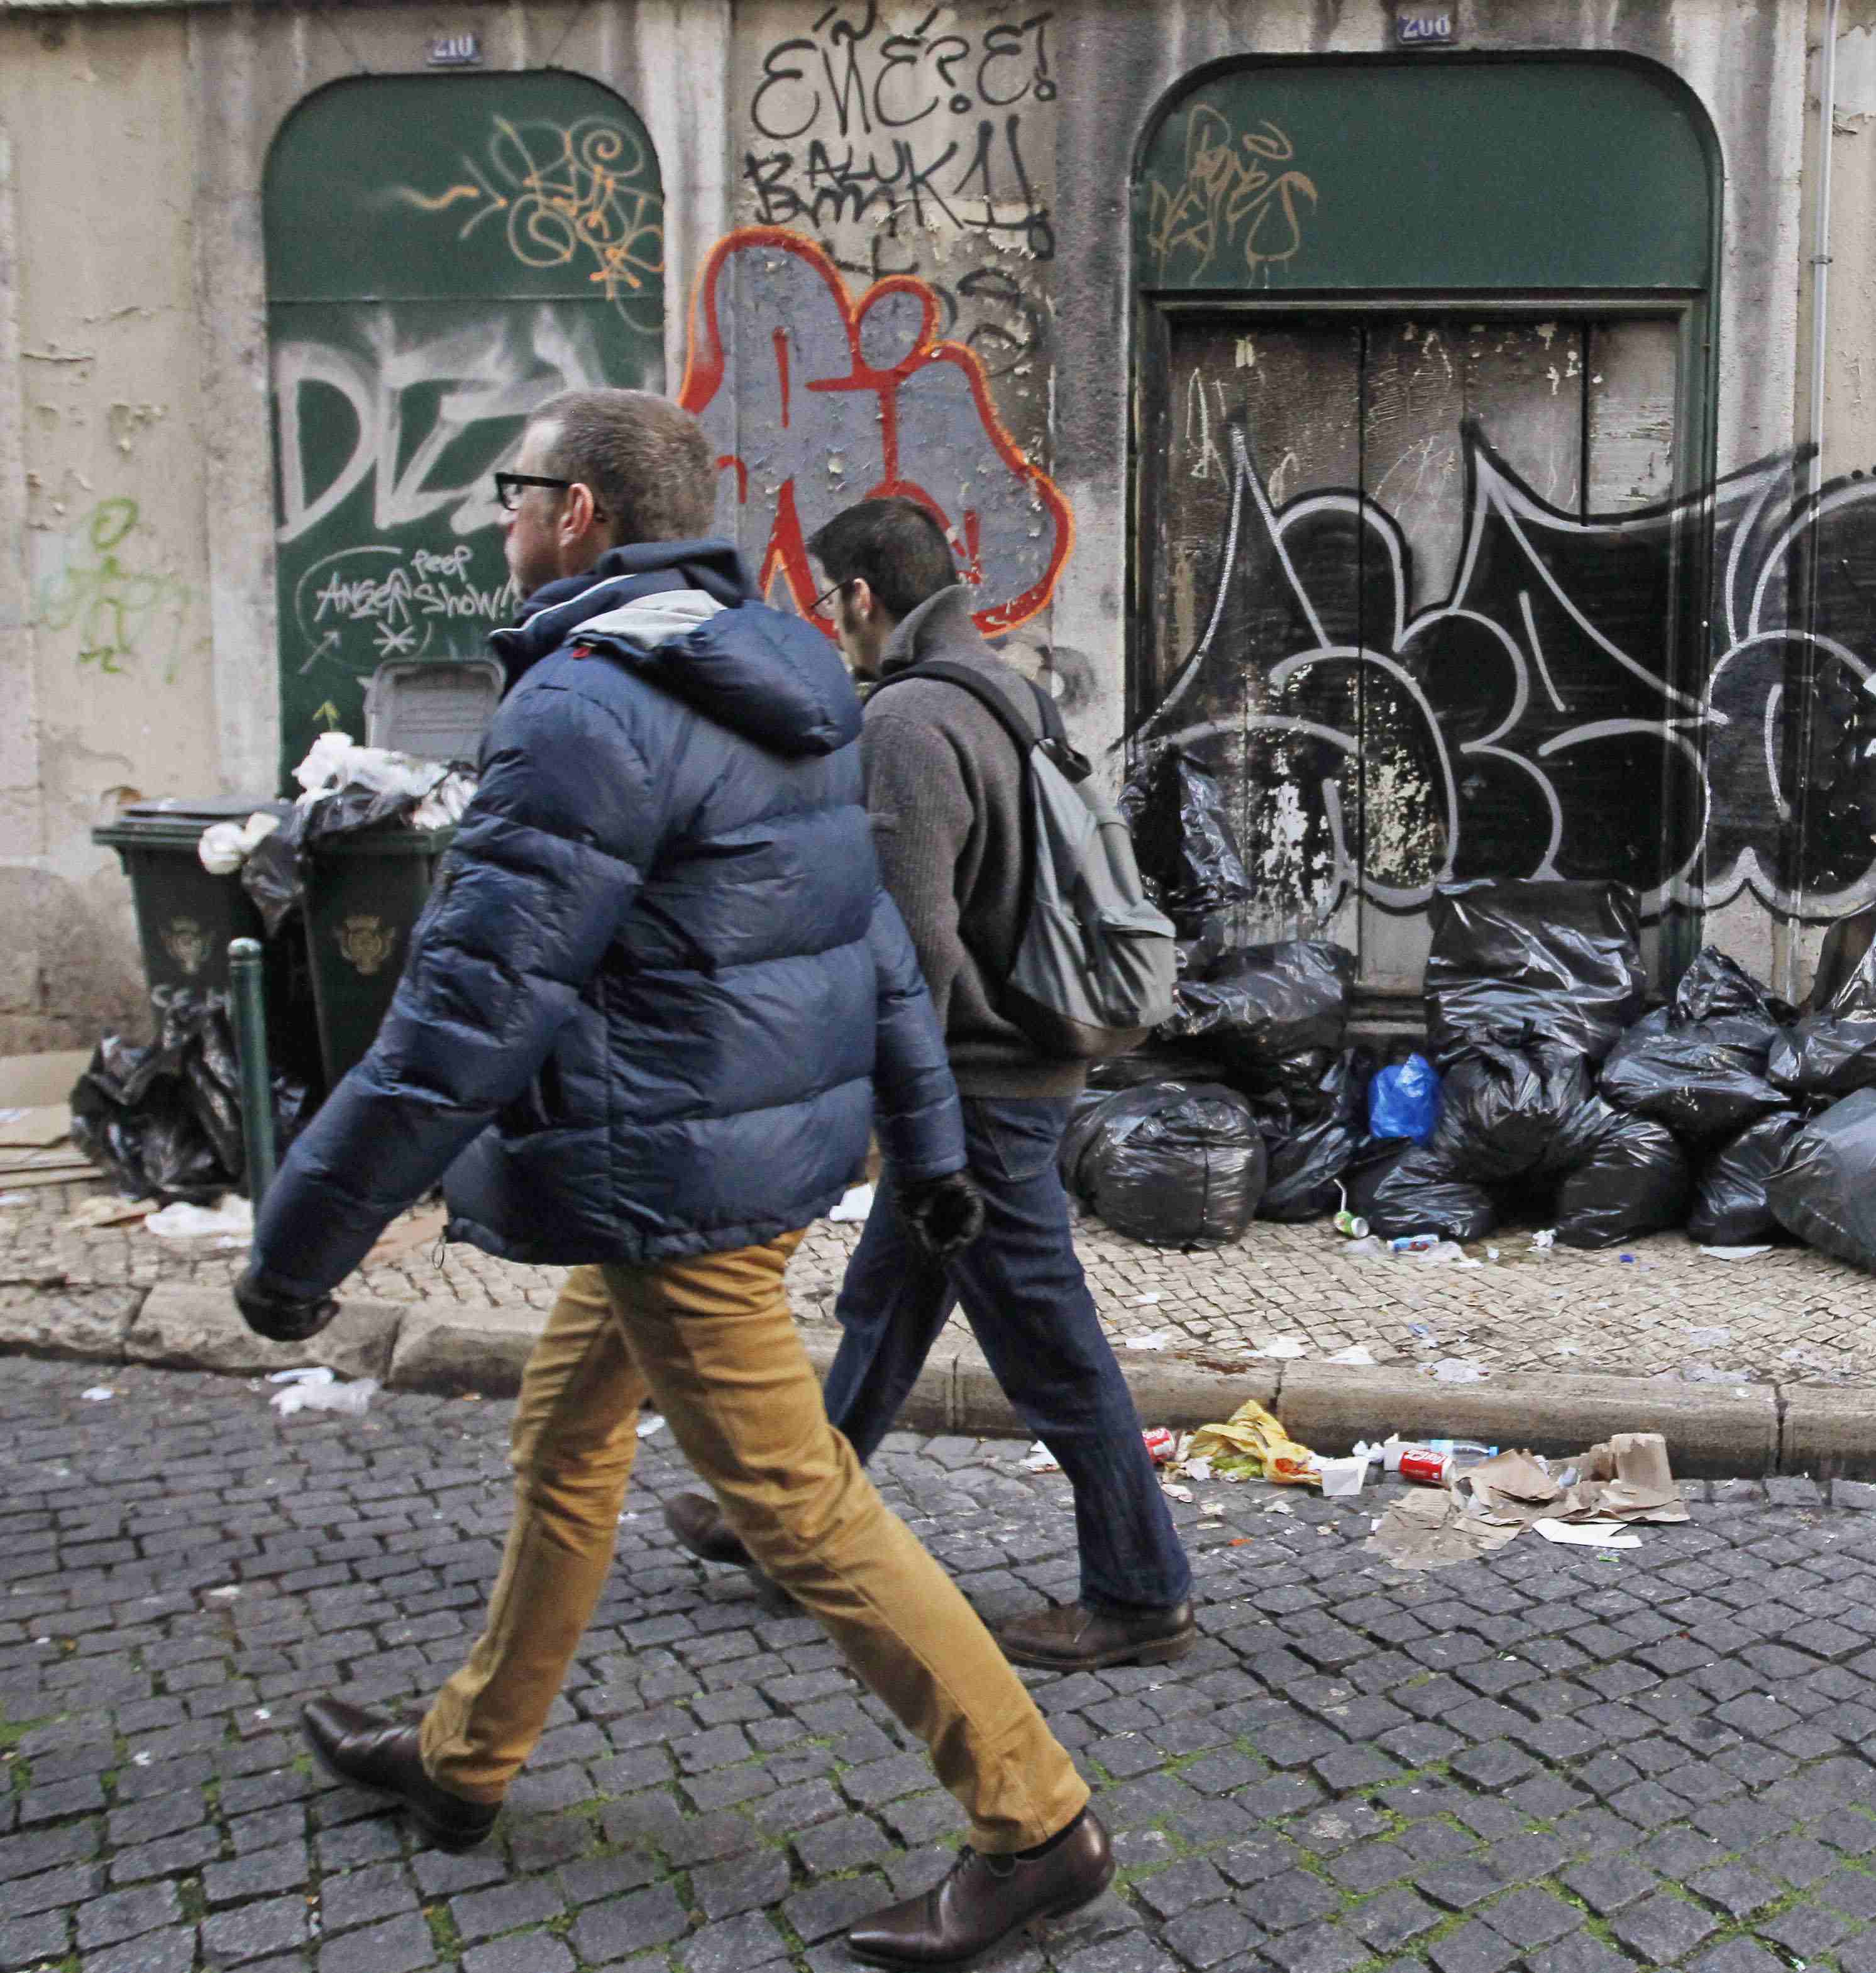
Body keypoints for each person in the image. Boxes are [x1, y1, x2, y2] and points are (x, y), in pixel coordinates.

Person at [231, 394, 1111, 1969]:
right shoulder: (778, 669)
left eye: (514, 491)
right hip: (721, 1154)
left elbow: (460, 1022)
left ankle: (1035, 1822)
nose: (501, 519)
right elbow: (871, 939)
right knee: (567, 1436)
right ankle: (465, 1758)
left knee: (795, 1503)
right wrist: (927, 1144)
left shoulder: (587, 706)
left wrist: (300, 1245)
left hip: (670, 1174)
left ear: (576, 513)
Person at [661, 496, 1197, 1674]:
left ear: (861, 596)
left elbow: (912, 950)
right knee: (884, 1309)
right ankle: (789, 1524)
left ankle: (1140, 1587)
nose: (830, 623)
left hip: (975, 1089)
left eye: (829, 600)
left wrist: (884, 1106)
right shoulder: (1005, 687)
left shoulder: (905, 719)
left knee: (1050, 1347)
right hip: (1007, 1067)